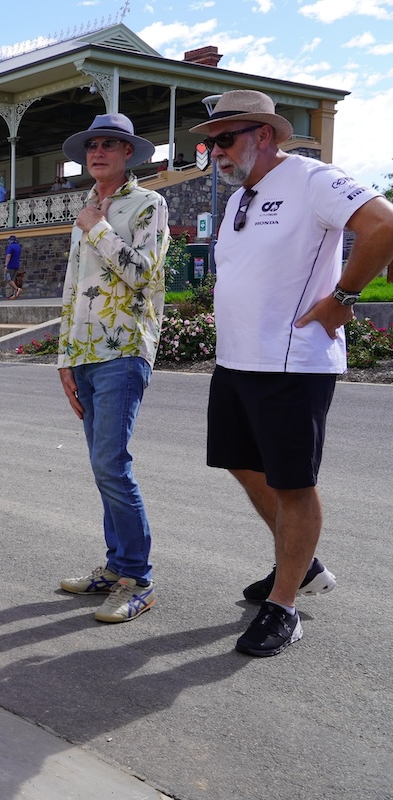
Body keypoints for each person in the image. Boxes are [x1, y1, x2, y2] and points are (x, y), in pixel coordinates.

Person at [191, 90, 393, 656]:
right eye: (211, 143)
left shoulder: (312, 178)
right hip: (236, 359)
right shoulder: (238, 201)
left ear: (264, 134)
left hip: (291, 362)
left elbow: (383, 226)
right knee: (240, 462)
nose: (216, 153)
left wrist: (344, 297)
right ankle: (300, 566)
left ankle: (284, 606)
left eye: (225, 139)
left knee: (292, 482)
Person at [55, 112, 169, 624]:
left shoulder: (148, 204)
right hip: (85, 355)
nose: (97, 152)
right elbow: (72, 290)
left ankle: (138, 580)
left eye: (110, 145)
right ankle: (115, 566)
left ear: (128, 154)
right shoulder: (86, 209)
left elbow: (142, 274)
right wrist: (63, 358)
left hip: (123, 350)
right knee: (103, 469)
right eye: (92, 144)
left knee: (111, 464)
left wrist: (96, 227)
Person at [4, 235, 23, 299]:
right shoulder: (18, 247)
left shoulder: (10, 247)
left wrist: (6, 265)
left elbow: (8, 256)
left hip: (10, 265)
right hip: (16, 265)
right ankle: (12, 294)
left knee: (8, 279)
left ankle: (17, 289)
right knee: (13, 279)